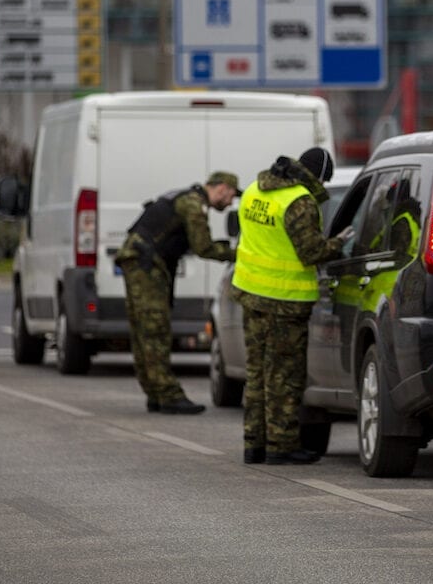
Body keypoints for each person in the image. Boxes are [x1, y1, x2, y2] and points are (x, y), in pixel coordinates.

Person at [232, 147, 353, 465]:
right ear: (318, 175)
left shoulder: (254, 190)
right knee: (284, 375)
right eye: (325, 180)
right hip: (284, 302)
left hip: (251, 294)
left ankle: (254, 444)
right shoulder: (299, 201)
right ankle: (281, 446)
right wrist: (341, 242)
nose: (324, 188)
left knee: (257, 373)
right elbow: (311, 252)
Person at [115, 172, 240, 415]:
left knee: (144, 328)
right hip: (146, 264)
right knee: (154, 329)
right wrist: (239, 254)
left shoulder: (184, 196)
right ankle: (168, 395)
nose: (230, 202)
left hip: (139, 261)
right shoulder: (194, 204)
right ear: (223, 188)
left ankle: (155, 392)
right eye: (232, 196)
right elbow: (203, 247)